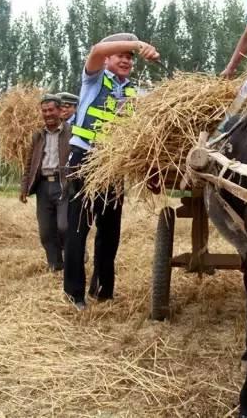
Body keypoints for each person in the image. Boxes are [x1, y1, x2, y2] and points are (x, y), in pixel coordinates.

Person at [63, 33, 159, 310]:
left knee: (110, 231)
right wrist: (138, 45)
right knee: (79, 228)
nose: (127, 60)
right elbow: (95, 49)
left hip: (113, 165)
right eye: (121, 55)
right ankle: (75, 294)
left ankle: (103, 291)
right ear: (107, 59)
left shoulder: (132, 91)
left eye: (130, 58)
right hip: (84, 161)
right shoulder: (93, 80)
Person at [20, 94, 71, 271]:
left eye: (51, 110)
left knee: (64, 226)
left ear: (60, 111)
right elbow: (29, 163)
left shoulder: (71, 132)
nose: (48, 114)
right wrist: (24, 186)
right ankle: (56, 265)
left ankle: (73, 252)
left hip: (64, 184)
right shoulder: (37, 135)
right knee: (46, 232)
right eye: (44, 111)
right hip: (43, 186)